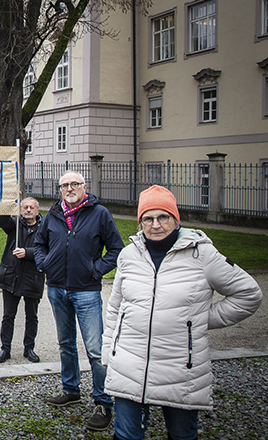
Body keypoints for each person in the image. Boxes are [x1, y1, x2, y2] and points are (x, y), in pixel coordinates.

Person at [102, 185, 262, 440]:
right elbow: (115, 307)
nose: (155, 225)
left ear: (176, 219)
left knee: (182, 435)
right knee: (126, 435)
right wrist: (108, 352)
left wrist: (197, 319)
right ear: (140, 222)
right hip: (129, 364)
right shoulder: (128, 255)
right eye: (148, 218)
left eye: (163, 217)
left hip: (179, 367)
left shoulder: (202, 254)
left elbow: (248, 294)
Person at [34, 170, 124, 432]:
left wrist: (96, 270)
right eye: (65, 185)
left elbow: (116, 249)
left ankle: (103, 402)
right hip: (57, 288)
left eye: (75, 184)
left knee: (95, 349)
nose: (69, 188)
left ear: (85, 186)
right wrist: (44, 263)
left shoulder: (99, 213)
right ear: (60, 189)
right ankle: (71, 389)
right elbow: (39, 244)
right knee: (66, 344)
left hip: (86, 289)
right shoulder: (53, 214)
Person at [0, 197, 45, 364]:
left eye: (31, 207)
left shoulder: (45, 228)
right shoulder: (14, 225)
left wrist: (27, 253)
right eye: (25, 207)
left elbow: (48, 251)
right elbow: (1, 218)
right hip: (11, 277)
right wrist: (10, 199)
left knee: (32, 316)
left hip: (33, 278)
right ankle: (5, 348)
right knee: (8, 315)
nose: (28, 210)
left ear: (37, 211)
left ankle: (29, 348)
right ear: (20, 210)